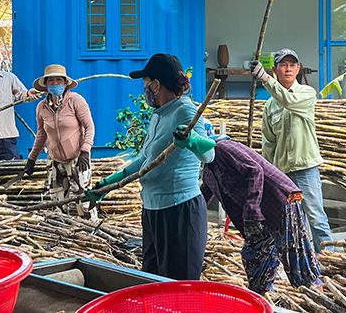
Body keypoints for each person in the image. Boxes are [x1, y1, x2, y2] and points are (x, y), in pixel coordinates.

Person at [86, 54, 208, 280]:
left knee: (179, 286)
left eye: (145, 84)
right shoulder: (159, 115)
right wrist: (106, 185)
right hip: (153, 210)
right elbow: (144, 160)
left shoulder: (186, 111)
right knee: (153, 281)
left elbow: (209, 154)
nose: (145, 89)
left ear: (156, 84)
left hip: (179, 211)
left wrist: (192, 141)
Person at [174, 130, 322, 295]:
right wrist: (186, 213)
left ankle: (314, 291)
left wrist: (251, 210)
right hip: (257, 216)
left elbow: (254, 170)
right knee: (254, 254)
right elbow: (203, 197)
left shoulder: (226, 148)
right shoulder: (209, 171)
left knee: (295, 253)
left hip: (279, 201)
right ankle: (263, 294)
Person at [251, 48, 333, 252]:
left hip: (305, 167)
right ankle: (298, 264)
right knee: (287, 220)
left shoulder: (306, 93)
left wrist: (266, 79)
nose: (288, 69)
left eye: (292, 65)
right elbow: (268, 143)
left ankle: (330, 260)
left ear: (298, 69)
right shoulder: (270, 106)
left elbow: (288, 100)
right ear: (276, 69)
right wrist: (267, 175)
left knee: (315, 217)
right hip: (282, 173)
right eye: (283, 65)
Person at [25, 64, 96, 220]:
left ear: (65, 83)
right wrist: (31, 159)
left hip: (78, 159)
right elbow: (41, 134)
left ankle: (90, 233)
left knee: (83, 200)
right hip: (55, 160)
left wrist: (85, 150)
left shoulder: (75, 101)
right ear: (46, 84)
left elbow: (89, 127)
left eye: (59, 80)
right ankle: (64, 236)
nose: (55, 84)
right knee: (58, 203)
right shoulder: (41, 107)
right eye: (51, 81)